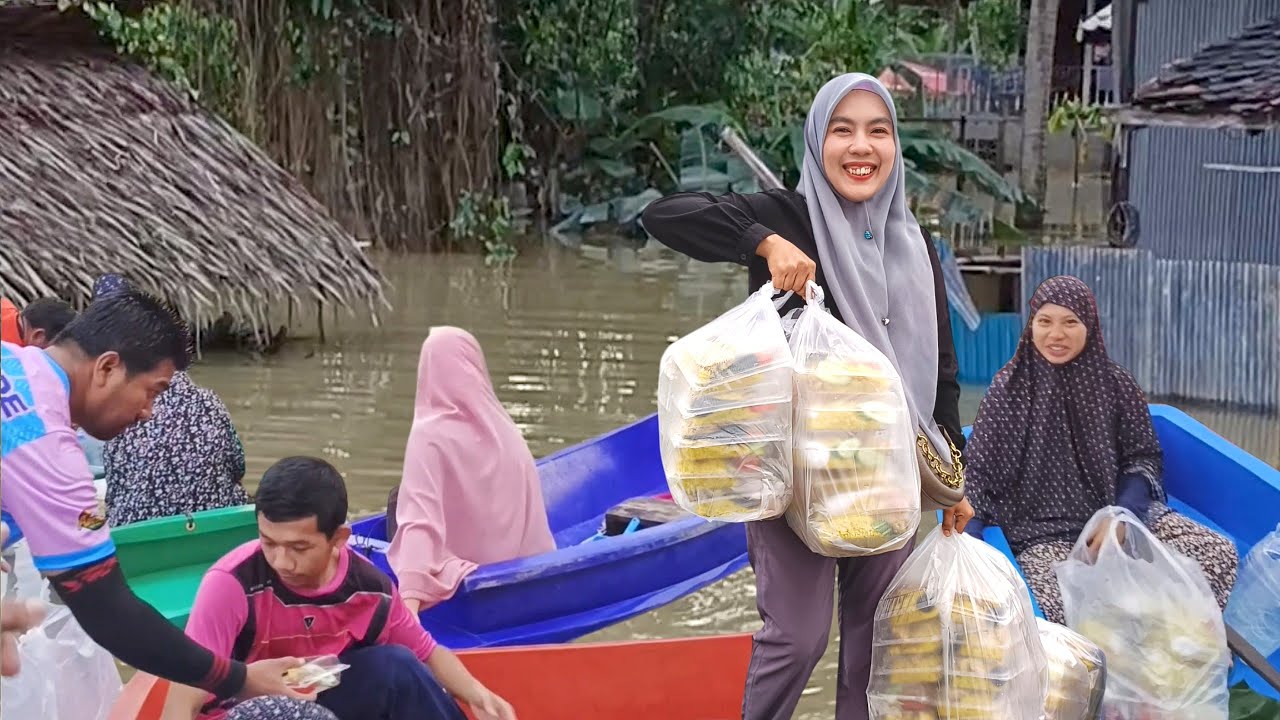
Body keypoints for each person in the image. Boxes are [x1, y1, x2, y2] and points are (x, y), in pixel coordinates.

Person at [640, 73, 974, 720]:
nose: (861, 146)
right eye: (842, 130)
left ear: (895, 147)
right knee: (797, 638)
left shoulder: (917, 247)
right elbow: (663, 216)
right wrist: (761, 244)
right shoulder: (784, 216)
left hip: (887, 479)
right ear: (818, 140)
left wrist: (955, 483)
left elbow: (942, 377)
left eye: (878, 131)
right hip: (789, 477)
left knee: (871, 651)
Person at [0, 288, 307, 703]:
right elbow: (108, 612)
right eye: (154, 390)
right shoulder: (49, 446)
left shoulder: (11, 359)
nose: (149, 412)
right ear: (107, 367)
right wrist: (238, 678)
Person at [962, 275, 1239, 624]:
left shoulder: (1117, 385)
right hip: (1041, 534)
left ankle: (1177, 645)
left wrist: (1122, 516)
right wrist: (967, 546)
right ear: (1030, 326)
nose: (1056, 334)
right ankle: (1107, 664)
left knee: (1217, 553)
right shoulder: (1007, 390)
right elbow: (977, 474)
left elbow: (1142, 457)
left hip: (1116, 519)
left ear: (1089, 326)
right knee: (1062, 605)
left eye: (1070, 322)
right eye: (1044, 322)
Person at [165, 456, 517, 720]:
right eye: (269, 542)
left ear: (339, 538)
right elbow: (185, 692)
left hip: (320, 703)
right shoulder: (232, 583)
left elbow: (428, 652)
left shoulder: (369, 589)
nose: (282, 561)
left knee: (395, 665)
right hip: (245, 712)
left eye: (299, 548)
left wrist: (479, 694)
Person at [386, 327, 555, 613]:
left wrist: (409, 606)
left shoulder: (430, 433)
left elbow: (419, 520)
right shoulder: (504, 427)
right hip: (522, 562)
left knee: (397, 500)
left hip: (464, 570)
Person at [104, 368, 250, 526]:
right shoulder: (210, 402)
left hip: (136, 531)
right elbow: (238, 466)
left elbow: (113, 490)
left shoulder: (126, 405)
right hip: (213, 526)